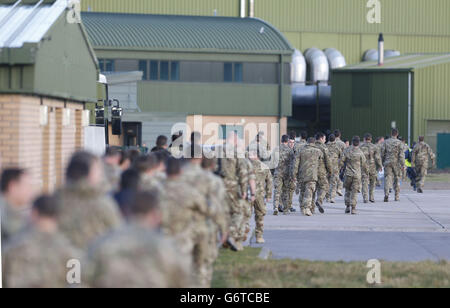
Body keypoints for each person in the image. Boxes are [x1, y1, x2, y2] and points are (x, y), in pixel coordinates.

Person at [84, 190, 194, 288]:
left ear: (127, 212)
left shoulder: (102, 244)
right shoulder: (165, 248)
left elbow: (83, 281)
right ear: (155, 215)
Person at [3, 195, 80, 288]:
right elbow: (76, 284)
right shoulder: (71, 252)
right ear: (58, 216)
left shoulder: (12, 247)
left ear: (34, 213)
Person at [55, 151, 122, 250]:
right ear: (90, 173)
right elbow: (117, 236)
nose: (101, 174)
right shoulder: (101, 204)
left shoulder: (55, 200)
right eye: (98, 170)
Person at [160, 158, 210, 287]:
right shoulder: (189, 192)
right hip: (183, 239)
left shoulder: (155, 189)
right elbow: (205, 209)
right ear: (181, 171)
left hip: (160, 239)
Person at [217, 131, 249, 250]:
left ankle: (223, 239)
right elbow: (242, 172)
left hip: (217, 186)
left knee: (222, 213)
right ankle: (230, 234)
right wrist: (244, 190)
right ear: (235, 140)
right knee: (237, 211)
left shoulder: (216, 151)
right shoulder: (236, 153)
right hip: (231, 186)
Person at [0, 168, 34, 243]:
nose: (31, 190)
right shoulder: (5, 213)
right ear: (13, 186)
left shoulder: (11, 209)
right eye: (28, 186)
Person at [294, 137, 323, 216]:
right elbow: (320, 165)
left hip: (302, 174)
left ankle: (302, 207)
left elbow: (296, 164)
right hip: (312, 175)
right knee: (309, 191)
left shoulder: (300, 150)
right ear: (314, 143)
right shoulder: (318, 151)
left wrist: (294, 174)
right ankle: (307, 208)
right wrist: (321, 176)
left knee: (303, 191)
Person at [248, 151, 272, 243]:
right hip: (260, 195)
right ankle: (259, 236)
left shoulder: (245, 166)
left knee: (246, 216)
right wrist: (268, 195)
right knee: (260, 216)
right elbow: (269, 181)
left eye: (250, 154)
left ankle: (243, 235)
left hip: (248, 194)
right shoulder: (264, 166)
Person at [340, 136, 367, 215]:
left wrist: (340, 169)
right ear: (358, 143)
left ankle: (347, 206)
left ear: (352, 142)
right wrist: (366, 173)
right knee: (354, 192)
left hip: (348, 174)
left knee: (347, 190)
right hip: (356, 175)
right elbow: (364, 165)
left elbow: (341, 161)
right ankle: (353, 208)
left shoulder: (347, 150)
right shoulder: (360, 152)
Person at [381, 129, 405, 202]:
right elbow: (401, 155)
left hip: (387, 162)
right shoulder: (399, 143)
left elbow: (382, 153)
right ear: (397, 134)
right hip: (396, 163)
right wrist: (403, 164)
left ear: (391, 134)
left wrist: (382, 162)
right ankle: (396, 196)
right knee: (397, 178)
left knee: (387, 178)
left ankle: (386, 194)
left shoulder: (386, 142)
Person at [272, 135, 295, 215]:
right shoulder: (290, 150)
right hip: (286, 173)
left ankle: (276, 207)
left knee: (277, 190)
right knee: (285, 191)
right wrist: (292, 175)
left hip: (277, 172)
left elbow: (272, 162)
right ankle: (285, 209)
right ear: (287, 141)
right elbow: (292, 163)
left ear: (281, 140)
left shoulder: (276, 149)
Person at [360, 133, 383, 203]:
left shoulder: (361, 147)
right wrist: (380, 165)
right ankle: (371, 197)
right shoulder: (374, 147)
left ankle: (365, 197)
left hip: (364, 167)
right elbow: (377, 158)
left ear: (364, 139)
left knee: (365, 182)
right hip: (373, 167)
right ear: (371, 139)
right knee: (373, 182)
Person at [314, 132, 331, 213]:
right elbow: (327, 161)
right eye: (324, 139)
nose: (325, 140)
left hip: (311, 171)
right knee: (325, 186)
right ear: (321, 138)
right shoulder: (324, 147)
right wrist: (330, 171)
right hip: (321, 171)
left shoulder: (311, 145)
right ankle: (319, 200)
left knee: (312, 189)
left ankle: (311, 208)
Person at [326, 134, 343, 203]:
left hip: (326, 167)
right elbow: (341, 157)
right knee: (333, 182)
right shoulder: (337, 147)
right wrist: (340, 166)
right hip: (335, 167)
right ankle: (332, 197)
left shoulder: (325, 146)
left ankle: (327, 197)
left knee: (327, 182)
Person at [334, 129, 346, 196]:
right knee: (339, 175)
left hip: (332, 161)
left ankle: (333, 189)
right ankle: (339, 188)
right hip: (339, 161)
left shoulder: (331, 142)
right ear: (340, 135)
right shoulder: (342, 144)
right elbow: (344, 154)